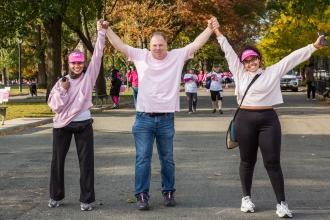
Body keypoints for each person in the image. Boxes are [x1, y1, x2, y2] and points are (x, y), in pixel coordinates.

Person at [210, 17, 326, 218]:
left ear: (259, 59)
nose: (250, 63)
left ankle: (282, 203)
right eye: (246, 60)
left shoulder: (272, 72)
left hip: (268, 120)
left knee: (272, 162)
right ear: (242, 63)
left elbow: (292, 58)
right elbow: (228, 51)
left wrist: (313, 46)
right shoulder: (239, 73)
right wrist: (218, 32)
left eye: (253, 59)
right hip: (245, 119)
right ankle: (246, 198)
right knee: (247, 161)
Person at [105, 18, 214, 210]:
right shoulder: (140, 55)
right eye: (154, 45)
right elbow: (120, 45)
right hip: (143, 118)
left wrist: (209, 28)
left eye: (161, 45)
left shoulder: (177, 56)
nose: (157, 48)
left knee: (167, 158)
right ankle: (142, 195)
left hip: (165, 119)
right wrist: (107, 30)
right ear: (149, 46)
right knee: (142, 159)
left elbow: (196, 43)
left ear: (167, 45)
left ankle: (169, 191)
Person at [47, 20, 108, 211]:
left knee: (86, 164)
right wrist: (63, 91)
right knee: (57, 162)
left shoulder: (88, 78)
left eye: (80, 62)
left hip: (83, 124)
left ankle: (87, 200)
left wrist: (101, 33)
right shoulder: (61, 82)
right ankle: (55, 196)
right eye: (74, 63)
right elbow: (54, 106)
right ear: (69, 63)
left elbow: (97, 56)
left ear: (83, 63)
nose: (77, 66)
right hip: (62, 126)